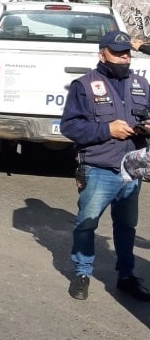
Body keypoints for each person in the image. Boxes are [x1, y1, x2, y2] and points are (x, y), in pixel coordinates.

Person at [60, 30, 150, 302]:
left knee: (126, 227)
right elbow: (70, 127)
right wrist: (107, 130)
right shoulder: (85, 86)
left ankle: (126, 276)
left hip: (132, 169)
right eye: (117, 53)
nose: (124, 58)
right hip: (98, 168)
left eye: (127, 53)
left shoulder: (141, 84)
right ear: (102, 54)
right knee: (86, 225)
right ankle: (82, 273)